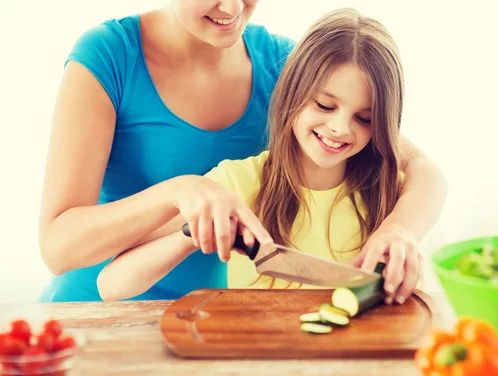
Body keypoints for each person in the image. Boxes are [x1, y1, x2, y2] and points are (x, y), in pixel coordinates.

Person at [38, 0, 447, 302]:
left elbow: (420, 168)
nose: (233, 7)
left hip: (214, 323)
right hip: (95, 318)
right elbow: (59, 248)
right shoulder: (109, 55)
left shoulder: (286, 65)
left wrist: (400, 230)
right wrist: (178, 192)